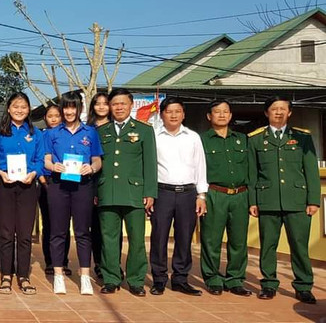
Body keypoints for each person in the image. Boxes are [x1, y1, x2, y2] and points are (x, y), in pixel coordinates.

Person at [248, 96, 319, 304]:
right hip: (267, 200)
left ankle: (304, 286)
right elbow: (253, 174)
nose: (278, 112)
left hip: (297, 200)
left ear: (289, 113)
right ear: (266, 113)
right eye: (274, 109)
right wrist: (253, 201)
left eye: (282, 109)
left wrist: (313, 200)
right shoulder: (255, 139)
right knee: (268, 245)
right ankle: (268, 284)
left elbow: (311, 171)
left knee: (299, 245)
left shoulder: (302, 137)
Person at [97, 88, 156, 296]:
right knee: (109, 238)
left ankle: (136, 279)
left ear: (131, 105)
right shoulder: (101, 131)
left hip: (134, 193)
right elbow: (97, 162)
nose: (119, 107)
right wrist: (97, 190)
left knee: (137, 239)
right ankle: (111, 278)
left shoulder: (144, 130)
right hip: (107, 191)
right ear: (110, 107)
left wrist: (150, 192)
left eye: (123, 103)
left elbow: (150, 164)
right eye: (115, 104)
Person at [43, 92, 103, 295]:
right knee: (58, 232)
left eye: (73, 107)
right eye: (66, 108)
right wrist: (54, 166)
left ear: (79, 109)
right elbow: (46, 160)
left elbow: (97, 160)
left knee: (82, 232)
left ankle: (85, 276)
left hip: (83, 186)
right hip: (58, 186)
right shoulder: (52, 133)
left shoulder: (90, 132)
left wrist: (91, 168)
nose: (69, 111)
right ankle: (58, 275)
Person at [149, 97, 207, 296]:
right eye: (169, 111)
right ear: (161, 114)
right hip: (162, 192)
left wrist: (201, 195)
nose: (173, 115)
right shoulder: (154, 136)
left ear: (183, 114)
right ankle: (159, 279)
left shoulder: (193, 137)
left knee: (184, 238)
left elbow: (200, 166)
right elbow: (148, 167)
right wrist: (149, 194)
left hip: (188, 194)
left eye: (177, 111)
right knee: (159, 237)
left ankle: (181, 279)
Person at [0, 92, 44, 295]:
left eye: (23, 106)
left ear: (28, 109)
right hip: (5, 184)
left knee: (24, 234)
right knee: (5, 233)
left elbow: (40, 160)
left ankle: (23, 276)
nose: (19, 110)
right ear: (9, 109)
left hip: (28, 186)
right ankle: (6, 275)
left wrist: (34, 173)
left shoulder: (36, 133)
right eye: (15, 106)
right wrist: (1, 173)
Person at [199, 100, 252, 296]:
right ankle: (213, 278)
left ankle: (235, 279)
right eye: (217, 112)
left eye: (225, 112)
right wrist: (201, 195)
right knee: (211, 240)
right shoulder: (201, 140)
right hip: (215, 194)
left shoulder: (243, 139)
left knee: (238, 241)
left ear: (230, 116)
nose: (221, 115)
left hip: (240, 194)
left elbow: (252, 169)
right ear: (209, 116)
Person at [86, 92, 113, 280]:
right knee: (95, 226)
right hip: (92, 183)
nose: (102, 107)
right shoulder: (87, 130)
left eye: (105, 103)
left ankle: (112, 264)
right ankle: (99, 264)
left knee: (112, 228)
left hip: (113, 184)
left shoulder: (117, 128)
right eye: (98, 104)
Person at [38, 104, 65, 276]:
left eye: (57, 115)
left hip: (64, 182)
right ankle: (50, 261)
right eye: (50, 116)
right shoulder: (41, 136)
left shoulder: (65, 134)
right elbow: (38, 159)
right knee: (48, 223)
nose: (54, 119)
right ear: (45, 118)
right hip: (45, 181)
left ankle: (63, 262)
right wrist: (42, 179)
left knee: (62, 224)